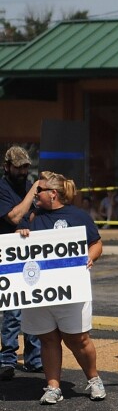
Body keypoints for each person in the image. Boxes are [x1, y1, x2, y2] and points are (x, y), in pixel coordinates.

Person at [19, 171, 104, 404]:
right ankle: (53, 387)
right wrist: (21, 234)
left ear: (53, 194)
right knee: (48, 339)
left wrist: (90, 257)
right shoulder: (32, 216)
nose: (35, 194)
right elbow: (17, 243)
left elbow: (96, 243)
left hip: (71, 290)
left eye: (39, 190)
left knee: (78, 339)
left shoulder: (78, 216)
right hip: (40, 292)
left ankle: (94, 379)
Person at [0, 146, 41, 380]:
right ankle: (7, 358)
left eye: (26, 167)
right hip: (8, 256)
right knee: (13, 310)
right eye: (19, 167)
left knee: (34, 306)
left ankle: (34, 358)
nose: (24, 171)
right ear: (7, 166)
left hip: (30, 254)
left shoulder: (28, 186)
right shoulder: (2, 188)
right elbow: (14, 217)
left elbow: (32, 216)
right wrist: (32, 193)